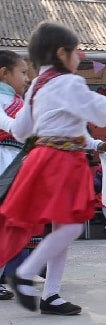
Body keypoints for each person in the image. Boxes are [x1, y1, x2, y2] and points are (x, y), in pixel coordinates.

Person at [0, 22, 106, 314]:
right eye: (76, 51)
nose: (80, 56)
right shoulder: (69, 82)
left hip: (42, 158)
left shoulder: (35, 88)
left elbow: (20, 130)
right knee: (71, 225)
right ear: (61, 53)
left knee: (61, 228)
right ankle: (26, 273)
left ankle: (51, 294)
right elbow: (102, 109)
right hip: (61, 161)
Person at [0, 50, 29, 301]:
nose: (26, 78)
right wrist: (13, 126)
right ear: (4, 73)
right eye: (22, 72)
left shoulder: (20, 100)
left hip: (16, 160)